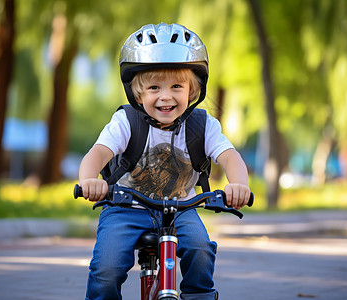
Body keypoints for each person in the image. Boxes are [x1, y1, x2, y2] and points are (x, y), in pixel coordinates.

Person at [79, 23, 251, 300]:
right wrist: (89, 180)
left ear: (192, 91)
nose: (166, 95)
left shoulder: (202, 126)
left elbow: (230, 157)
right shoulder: (126, 121)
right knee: (106, 268)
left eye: (176, 86)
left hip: (180, 209)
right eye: (154, 87)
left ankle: (198, 296)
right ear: (138, 94)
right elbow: (98, 153)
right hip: (125, 208)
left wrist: (238, 184)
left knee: (200, 249)